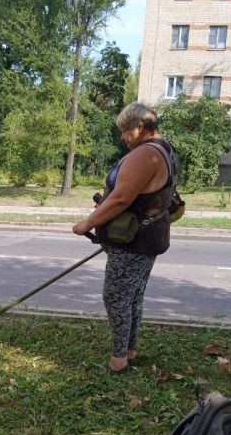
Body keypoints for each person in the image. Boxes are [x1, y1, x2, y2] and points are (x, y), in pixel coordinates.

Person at [72, 102, 178, 373]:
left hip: (133, 241)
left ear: (140, 127)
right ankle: (129, 351)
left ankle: (119, 360)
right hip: (147, 237)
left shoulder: (146, 154)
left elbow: (120, 198)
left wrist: (88, 223)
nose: (122, 137)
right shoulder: (165, 148)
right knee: (132, 296)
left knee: (116, 296)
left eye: (124, 131)